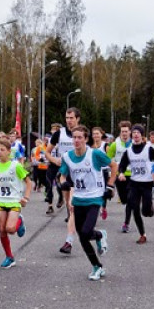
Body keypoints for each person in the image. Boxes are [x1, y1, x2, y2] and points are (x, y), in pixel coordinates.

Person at [60, 125, 118, 280]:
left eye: (80, 137)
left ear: (86, 139)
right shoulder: (67, 157)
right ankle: (97, 265)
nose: (77, 140)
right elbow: (63, 175)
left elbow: (114, 166)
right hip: (78, 199)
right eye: (74, 137)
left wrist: (110, 185)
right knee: (83, 237)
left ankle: (98, 237)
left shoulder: (95, 154)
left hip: (94, 198)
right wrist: (64, 183)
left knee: (86, 232)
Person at [0, 139, 33, 269]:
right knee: (1, 230)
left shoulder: (15, 166)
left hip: (14, 200)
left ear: (9, 152)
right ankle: (9, 257)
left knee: (10, 229)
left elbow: (28, 182)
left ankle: (19, 222)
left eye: (2, 150)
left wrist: (26, 197)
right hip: (0, 200)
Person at [46, 109, 90, 254]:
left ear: (77, 118)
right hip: (65, 173)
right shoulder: (59, 134)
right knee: (69, 204)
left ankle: (69, 241)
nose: (69, 120)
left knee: (72, 206)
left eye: (71, 118)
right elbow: (47, 151)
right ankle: (74, 222)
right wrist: (55, 160)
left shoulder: (82, 134)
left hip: (81, 175)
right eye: (67, 118)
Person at [116, 124, 154, 244]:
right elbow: (122, 165)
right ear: (131, 135)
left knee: (146, 212)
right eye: (134, 133)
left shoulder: (148, 149)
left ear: (142, 135)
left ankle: (149, 207)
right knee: (134, 208)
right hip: (134, 183)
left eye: (138, 133)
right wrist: (121, 173)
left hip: (147, 183)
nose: (136, 135)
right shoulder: (128, 151)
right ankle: (142, 234)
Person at [107, 121, 133, 233]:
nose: (124, 134)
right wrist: (113, 167)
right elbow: (108, 158)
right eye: (122, 131)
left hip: (132, 175)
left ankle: (126, 223)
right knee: (123, 199)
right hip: (119, 175)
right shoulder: (115, 144)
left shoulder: (134, 143)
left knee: (131, 199)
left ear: (130, 132)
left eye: (126, 131)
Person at [43, 123, 64, 215]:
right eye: (53, 129)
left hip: (61, 163)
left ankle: (61, 197)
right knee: (49, 183)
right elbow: (45, 152)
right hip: (52, 163)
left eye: (56, 129)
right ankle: (50, 205)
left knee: (60, 183)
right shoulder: (49, 140)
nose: (54, 131)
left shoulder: (63, 140)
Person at [91, 127, 110, 220]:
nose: (95, 135)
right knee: (94, 191)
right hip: (93, 172)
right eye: (94, 134)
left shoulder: (105, 145)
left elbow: (110, 160)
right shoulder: (90, 146)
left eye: (97, 133)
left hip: (104, 171)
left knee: (103, 191)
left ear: (101, 134)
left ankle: (104, 207)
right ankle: (95, 209)